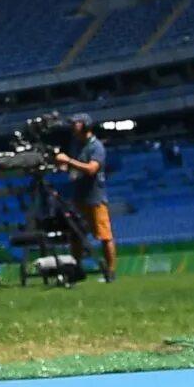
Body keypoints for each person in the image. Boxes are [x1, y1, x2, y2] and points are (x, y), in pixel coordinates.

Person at [55, 117, 116, 282]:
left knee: (104, 236)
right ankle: (77, 269)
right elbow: (76, 165)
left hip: (95, 197)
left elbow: (91, 169)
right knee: (76, 235)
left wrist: (69, 161)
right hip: (79, 196)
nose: (73, 127)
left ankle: (110, 271)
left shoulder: (96, 146)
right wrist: (64, 166)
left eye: (76, 123)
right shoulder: (76, 145)